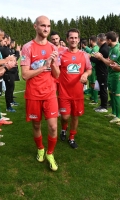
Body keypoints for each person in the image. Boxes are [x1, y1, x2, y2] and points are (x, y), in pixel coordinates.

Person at [20, 15, 60, 171]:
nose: (46, 29)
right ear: (35, 26)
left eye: (48, 26)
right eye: (43, 25)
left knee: (53, 127)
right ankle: (40, 149)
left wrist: (53, 64)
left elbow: (56, 75)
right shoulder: (27, 47)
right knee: (36, 125)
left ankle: (50, 153)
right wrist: (44, 66)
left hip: (50, 93)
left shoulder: (53, 48)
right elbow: (24, 75)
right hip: (33, 94)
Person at [58, 28, 92, 149]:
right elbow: (56, 71)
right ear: (67, 39)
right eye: (71, 37)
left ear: (78, 40)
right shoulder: (61, 54)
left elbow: (89, 69)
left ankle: (71, 137)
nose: (73, 40)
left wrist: (86, 74)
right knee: (65, 116)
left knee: (75, 116)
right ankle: (63, 129)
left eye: (76, 38)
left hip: (78, 93)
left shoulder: (84, 55)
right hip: (64, 92)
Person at [94, 31, 120, 119]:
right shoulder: (112, 48)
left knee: (116, 96)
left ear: (109, 40)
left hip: (116, 75)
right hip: (111, 74)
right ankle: (114, 113)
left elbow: (110, 63)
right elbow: (109, 60)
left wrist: (101, 57)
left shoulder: (116, 49)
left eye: (106, 39)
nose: (105, 42)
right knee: (112, 95)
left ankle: (118, 116)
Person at [90, 33, 110, 112]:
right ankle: (102, 105)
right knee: (101, 89)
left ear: (99, 39)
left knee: (103, 89)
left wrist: (90, 57)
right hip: (101, 71)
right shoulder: (103, 47)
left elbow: (98, 61)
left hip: (103, 71)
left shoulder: (104, 49)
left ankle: (104, 106)